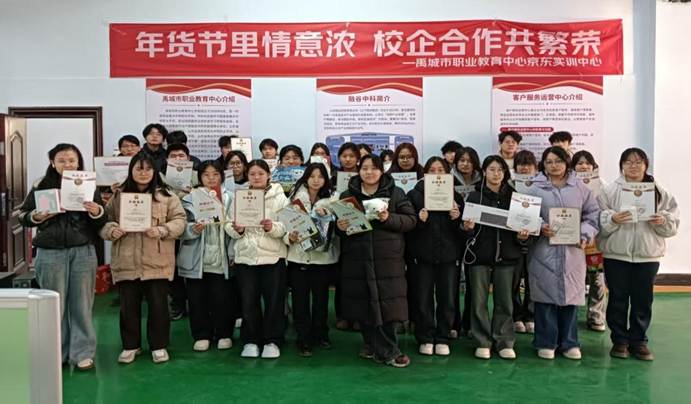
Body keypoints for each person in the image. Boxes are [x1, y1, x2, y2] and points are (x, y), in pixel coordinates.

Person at [19, 143, 106, 371]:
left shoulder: (88, 184)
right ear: (52, 162)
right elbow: (22, 216)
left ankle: (82, 353)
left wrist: (96, 211)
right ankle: (56, 353)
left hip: (83, 249)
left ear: (78, 162)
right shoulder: (41, 185)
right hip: (50, 251)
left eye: (72, 160)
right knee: (53, 304)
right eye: (62, 160)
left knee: (82, 304)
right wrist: (37, 216)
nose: (68, 164)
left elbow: (102, 219)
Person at [101, 152, 186, 364]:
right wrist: (112, 230)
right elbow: (105, 220)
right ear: (131, 170)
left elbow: (180, 221)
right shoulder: (119, 196)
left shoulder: (167, 196)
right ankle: (131, 346)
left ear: (154, 171)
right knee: (128, 306)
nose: (144, 173)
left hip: (157, 260)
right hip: (126, 260)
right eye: (139, 168)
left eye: (148, 169)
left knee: (158, 306)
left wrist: (162, 230)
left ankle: (159, 345)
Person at [598, 148, 679, 361]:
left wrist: (662, 221)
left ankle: (639, 341)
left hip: (647, 255)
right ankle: (619, 341)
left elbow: (673, 221)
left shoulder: (658, 191)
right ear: (621, 166)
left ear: (646, 165)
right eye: (628, 162)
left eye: (638, 162)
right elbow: (599, 219)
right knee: (617, 298)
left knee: (643, 299)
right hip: (616, 254)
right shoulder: (609, 191)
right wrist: (612, 219)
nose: (633, 166)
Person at [338, 155, 417, 368]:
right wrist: (340, 226)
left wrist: (388, 218)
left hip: (387, 259)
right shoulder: (347, 195)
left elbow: (410, 221)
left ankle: (389, 350)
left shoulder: (395, 193)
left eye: (374, 168)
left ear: (382, 171)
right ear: (359, 170)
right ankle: (371, 344)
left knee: (387, 305)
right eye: (365, 168)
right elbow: (340, 229)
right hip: (357, 257)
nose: (369, 172)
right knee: (363, 303)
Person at [525, 146, 599, 360]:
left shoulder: (580, 188)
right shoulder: (534, 188)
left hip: (572, 251)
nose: (554, 166)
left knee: (571, 297)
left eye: (558, 161)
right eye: (549, 162)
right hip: (543, 250)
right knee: (544, 297)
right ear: (543, 165)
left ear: (566, 162)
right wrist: (540, 226)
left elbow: (592, 215)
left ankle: (569, 342)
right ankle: (545, 341)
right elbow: (524, 215)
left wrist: (583, 234)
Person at [462, 156, 530, 360]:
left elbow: (523, 229)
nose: (496, 173)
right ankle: (482, 341)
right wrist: (467, 228)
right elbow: (464, 231)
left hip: (507, 257)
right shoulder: (474, 196)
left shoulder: (516, 198)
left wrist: (522, 236)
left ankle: (504, 341)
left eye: (500, 170)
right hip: (479, 257)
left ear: (505, 173)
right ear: (484, 172)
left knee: (505, 301)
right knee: (478, 302)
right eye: (492, 169)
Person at [225, 160, 290, 359]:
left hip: (273, 257)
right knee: (248, 301)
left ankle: (273, 340)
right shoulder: (240, 196)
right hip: (246, 257)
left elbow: (287, 226)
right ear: (247, 176)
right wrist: (237, 229)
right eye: (252, 174)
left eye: (261, 173)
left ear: (269, 175)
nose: (256, 177)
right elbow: (228, 223)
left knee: (274, 302)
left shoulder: (280, 197)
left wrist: (272, 227)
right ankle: (250, 340)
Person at [407, 157, 464, 356]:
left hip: (448, 255)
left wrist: (456, 219)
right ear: (425, 173)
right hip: (422, 255)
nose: (437, 174)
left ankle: (443, 337)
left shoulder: (456, 196)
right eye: (432, 170)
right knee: (422, 298)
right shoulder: (414, 195)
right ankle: (425, 337)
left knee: (447, 299)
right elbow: (408, 228)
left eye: (441, 170)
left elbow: (464, 231)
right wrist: (420, 221)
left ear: (447, 173)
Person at [178, 161, 236, 352]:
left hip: (222, 258)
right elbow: (179, 226)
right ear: (199, 177)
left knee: (223, 299)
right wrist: (193, 229)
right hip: (196, 258)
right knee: (197, 299)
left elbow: (237, 227)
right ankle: (202, 334)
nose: (211, 178)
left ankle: (224, 333)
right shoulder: (189, 199)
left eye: (215, 174)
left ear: (222, 176)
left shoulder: (231, 198)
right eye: (206, 175)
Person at [284, 163, 340, 357]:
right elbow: (284, 222)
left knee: (321, 300)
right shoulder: (294, 198)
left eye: (320, 176)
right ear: (306, 177)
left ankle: (321, 334)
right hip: (298, 257)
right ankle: (303, 338)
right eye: (312, 176)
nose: (316, 180)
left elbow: (340, 227)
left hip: (322, 258)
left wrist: (329, 216)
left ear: (326, 179)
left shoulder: (333, 199)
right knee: (299, 300)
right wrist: (290, 236)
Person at [571, 150, 607, 332]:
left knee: (597, 279)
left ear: (593, 166)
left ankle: (596, 315)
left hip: (594, 241)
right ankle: (570, 316)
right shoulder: (567, 184)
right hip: (572, 238)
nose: (584, 166)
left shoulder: (603, 186)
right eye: (579, 163)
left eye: (587, 163)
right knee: (572, 277)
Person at [450, 146, 482, 337]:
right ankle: (453, 323)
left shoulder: (482, 180)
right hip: (453, 234)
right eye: (461, 160)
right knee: (452, 282)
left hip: (476, 236)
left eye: (469, 160)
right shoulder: (447, 180)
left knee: (473, 282)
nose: (465, 164)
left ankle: (470, 323)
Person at [331, 141, 361, 331]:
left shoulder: (365, 175)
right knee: (342, 277)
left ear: (357, 158)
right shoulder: (333, 177)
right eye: (344, 156)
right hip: (340, 230)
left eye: (351, 156)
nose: (348, 159)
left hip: (359, 229)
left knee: (359, 277)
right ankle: (342, 314)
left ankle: (359, 316)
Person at [511, 150, 539, 334]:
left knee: (532, 278)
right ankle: (516, 315)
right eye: (520, 164)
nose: (524, 167)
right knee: (513, 280)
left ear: (535, 167)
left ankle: (530, 315)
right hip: (513, 240)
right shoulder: (509, 185)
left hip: (535, 240)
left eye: (528, 164)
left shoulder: (541, 186)